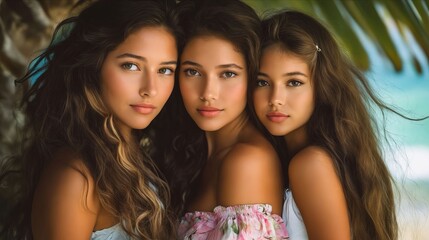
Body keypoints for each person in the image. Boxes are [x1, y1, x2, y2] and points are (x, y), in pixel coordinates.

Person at [1, 0, 182, 239]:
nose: (151, 89)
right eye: (131, 66)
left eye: (165, 70)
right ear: (93, 66)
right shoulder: (75, 178)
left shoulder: (138, 157)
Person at [252, 10, 404, 240]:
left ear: (322, 86)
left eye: (294, 82)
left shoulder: (310, 164)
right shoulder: (314, 157)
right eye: (262, 82)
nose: (275, 99)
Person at [154, 0, 288, 239]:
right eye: (193, 72)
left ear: (252, 76)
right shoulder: (196, 151)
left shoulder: (246, 162)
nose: (208, 93)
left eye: (228, 74)